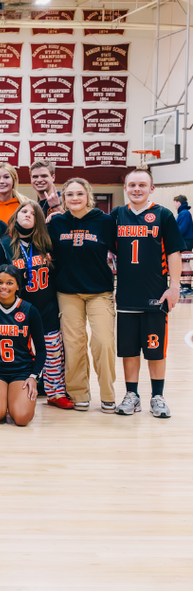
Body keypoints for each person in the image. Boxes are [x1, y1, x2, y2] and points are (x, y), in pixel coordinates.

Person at [112, 168, 184, 418]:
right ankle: (132, 395)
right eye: (132, 185)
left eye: (142, 185)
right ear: (126, 189)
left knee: (155, 350)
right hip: (126, 297)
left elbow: (175, 252)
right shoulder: (117, 215)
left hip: (156, 295)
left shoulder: (163, 215)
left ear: (152, 189)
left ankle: (158, 396)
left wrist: (174, 286)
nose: (137, 189)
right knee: (129, 351)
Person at [47, 177, 117, 412]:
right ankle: (78, 392)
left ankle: (107, 393)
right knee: (74, 344)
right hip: (67, 292)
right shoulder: (56, 223)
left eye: (79, 193)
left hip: (100, 291)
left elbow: (121, 254)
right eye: (69, 194)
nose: (75, 198)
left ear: (88, 196)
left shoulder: (105, 222)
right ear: (63, 199)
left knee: (103, 342)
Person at [0, 201, 70, 409]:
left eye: (33, 213)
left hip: (46, 305)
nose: (28, 215)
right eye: (23, 211)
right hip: (19, 309)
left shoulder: (47, 242)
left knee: (53, 350)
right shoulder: (4, 244)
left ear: (39, 220)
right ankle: (17, 387)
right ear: (15, 216)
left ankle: (56, 392)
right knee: (20, 351)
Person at [0, 265, 46, 427]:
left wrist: (33, 376)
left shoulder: (29, 310)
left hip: (22, 372)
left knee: (22, 419)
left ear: (17, 286)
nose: (4, 287)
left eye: (9, 283)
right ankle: (3, 401)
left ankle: (13, 400)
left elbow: (41, 350)